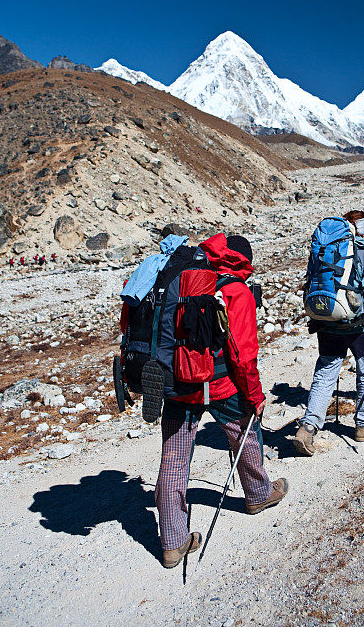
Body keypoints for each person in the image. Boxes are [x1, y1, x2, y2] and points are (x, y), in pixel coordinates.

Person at [155, 233, 289, 569]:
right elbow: (242, 356)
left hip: (177, 381)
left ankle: (173, 542)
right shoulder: (236, 291)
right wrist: (255, 397)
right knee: (245, 433)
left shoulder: (180, 277)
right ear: (244, 262)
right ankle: (258, 494)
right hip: (219, 384)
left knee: (173, 458)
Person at [293, 211, 364, 456]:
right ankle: (363, 424)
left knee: (326, 372)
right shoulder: (363, 256)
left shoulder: (319, 253)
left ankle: (308, 427)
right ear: (359, 229)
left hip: (326, 321)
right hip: (359, 326)